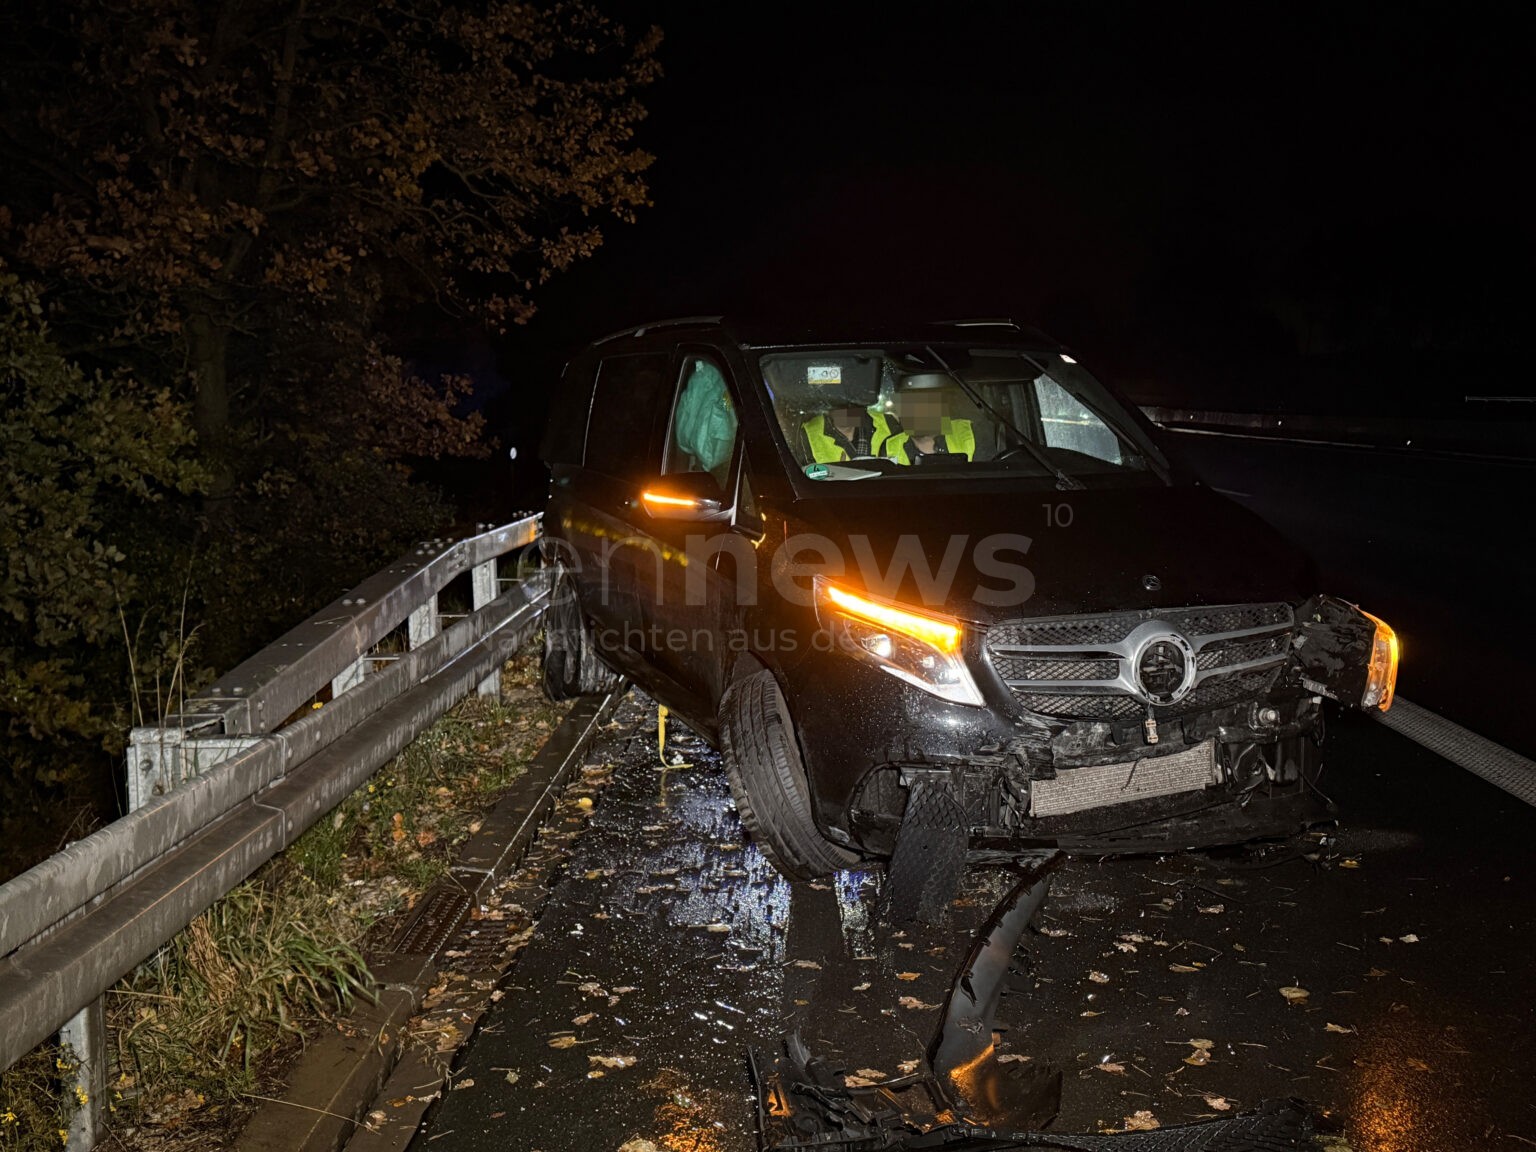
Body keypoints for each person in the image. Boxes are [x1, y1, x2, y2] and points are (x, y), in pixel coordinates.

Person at [801, 404, 902, 463]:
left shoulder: (890, 424)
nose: (845, 405)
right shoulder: (806, 433)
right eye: (839, 399)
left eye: (851, 398)